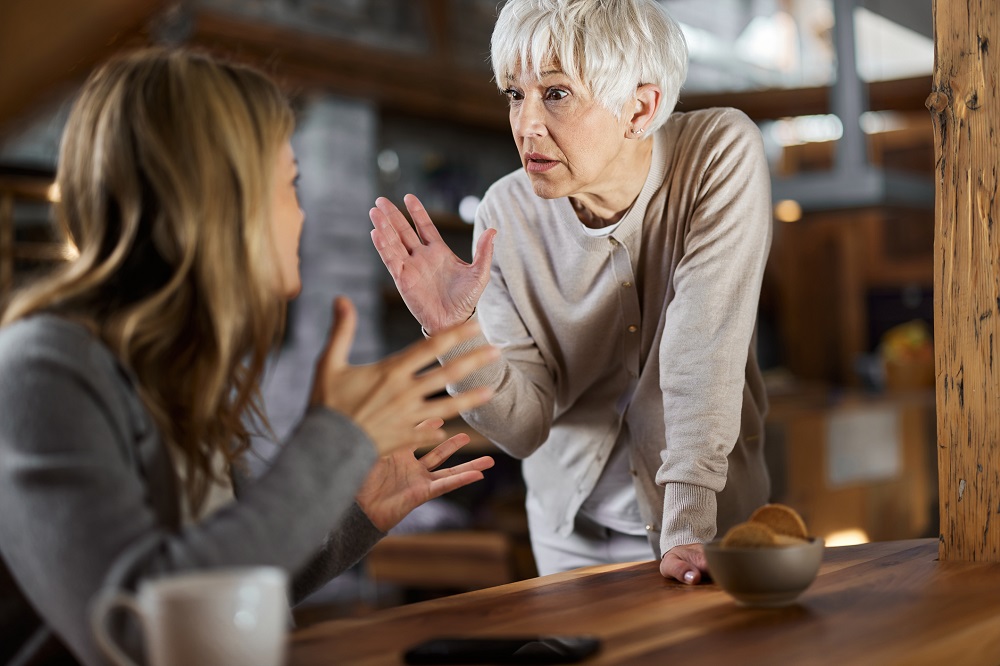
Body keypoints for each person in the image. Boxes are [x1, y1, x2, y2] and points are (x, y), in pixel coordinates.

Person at [0, 48, 500, 666]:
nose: (301, 214)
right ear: (216, 198)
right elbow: (139, 630)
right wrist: (334, 440)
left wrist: (354, 516)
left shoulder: (175, 369)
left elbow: (222, 596)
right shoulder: (41, 367)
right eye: (289, 184)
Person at [370, 0, 771, 583]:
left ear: (640, 107)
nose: (525, 124)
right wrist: (453, 334)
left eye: (555, 93)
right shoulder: (502, 215)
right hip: (570, 542)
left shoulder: (717, 153)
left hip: (709, 527)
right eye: (515, 94)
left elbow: (702, 351)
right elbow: (524, 425)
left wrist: (688, 530)